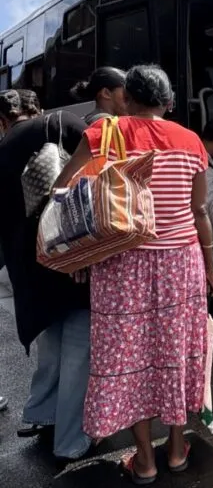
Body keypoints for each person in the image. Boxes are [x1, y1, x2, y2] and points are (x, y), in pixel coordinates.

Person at [53, 65, 213, 484]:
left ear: (126, 98)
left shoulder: (104, 136)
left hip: (120, 264)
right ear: (169, 102)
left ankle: (144, 459)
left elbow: (62, 190)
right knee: (174, 353)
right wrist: (212, 267)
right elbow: (199, 211)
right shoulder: (191, 142)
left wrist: (78, 252)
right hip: (181, 264)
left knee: (128, 359)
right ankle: (177, 449)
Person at [0, 89, 92, 460]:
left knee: (51, 342)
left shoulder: (3, 148)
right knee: (78, 352)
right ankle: (71, 441)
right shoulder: (64, 123)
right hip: (70, 257)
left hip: (28, 266)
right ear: (38, 108)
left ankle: (39, 413)